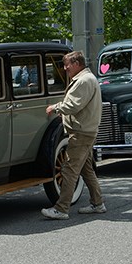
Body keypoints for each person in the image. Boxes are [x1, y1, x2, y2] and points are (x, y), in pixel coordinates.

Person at [41, 51, 105, 220]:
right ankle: (97, 203)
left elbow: (73, 105)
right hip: (86, 130)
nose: (65, 68)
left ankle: (61, 209)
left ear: (77, 63)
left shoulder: (83, 81)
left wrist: (55, 108)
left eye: (67, 64)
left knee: (69, 170)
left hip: (81, 132)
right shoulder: (88, 78)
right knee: (86, 169)